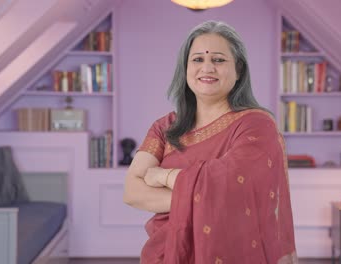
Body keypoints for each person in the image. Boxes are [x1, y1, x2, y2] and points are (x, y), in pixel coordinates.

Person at [123, 20, 297, 264]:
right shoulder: (165, 128)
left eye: (218, 60)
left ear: (238, 71)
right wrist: (205, 196)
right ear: (185, 69)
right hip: (164, 254)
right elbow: (132, 192)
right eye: (197, 60)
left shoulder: (256, 125)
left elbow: (232, 188)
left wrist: (164, 177)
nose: (207, 68)